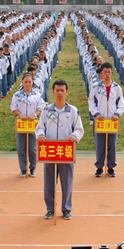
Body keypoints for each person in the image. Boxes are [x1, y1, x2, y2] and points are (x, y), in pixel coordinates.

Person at [35, 79, 84, 220]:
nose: (60, 93)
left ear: (67, 92)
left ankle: (66, 209)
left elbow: (79, 129)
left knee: (67, 181)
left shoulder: (73, 111)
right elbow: (39, 127)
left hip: (66, 150)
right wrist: (41, 135)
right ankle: (50, 209)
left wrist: (74, 136)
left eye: (63, 90)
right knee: (49, 181)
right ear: (53, 92)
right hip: (50, 150)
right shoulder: (46, 110)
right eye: (57, 90)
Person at [89, 62, 124, 177]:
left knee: (112, 144)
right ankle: (99, 167)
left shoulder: (117, 88)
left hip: (112, 121)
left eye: (108, 72)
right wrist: (97, 114)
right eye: (104, 72)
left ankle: (111, 167)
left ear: (112, 73)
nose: (106, 74)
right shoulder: (96, 87)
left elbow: (121, 105)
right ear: (101, 73)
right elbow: (91, 103)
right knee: (100, 144)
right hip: (100, 121)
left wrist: (117, 114)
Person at [11, 72, 44, 178]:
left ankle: (32, 168)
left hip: (33, 124)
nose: (28, 84)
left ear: (32, 82)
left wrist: (34, 115)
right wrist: (20, 114)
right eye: (26, 82)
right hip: (21, 124)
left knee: (32, 148)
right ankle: (23, 169)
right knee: (21, 147)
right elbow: (13, 108)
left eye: (29, 82)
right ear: (22, 83)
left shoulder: (37, 95)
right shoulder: (17, 95)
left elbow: (41, 108)